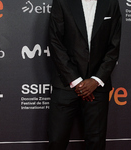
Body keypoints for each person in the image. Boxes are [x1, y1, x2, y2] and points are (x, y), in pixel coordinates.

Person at [48, 0, 122, 149]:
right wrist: (77, 82)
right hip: (66, 83)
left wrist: (95, 80)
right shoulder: (62, 2)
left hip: (98, 87)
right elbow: (55, 43)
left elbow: (114, 46)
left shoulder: (111, 3)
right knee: (57, 141)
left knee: (96, 143)